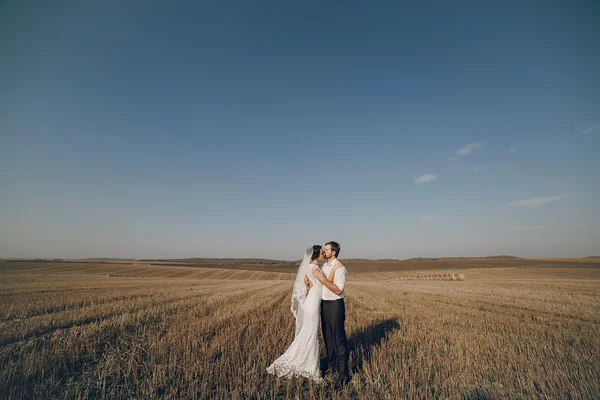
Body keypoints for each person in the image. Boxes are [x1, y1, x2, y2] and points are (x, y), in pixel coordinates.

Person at [266, 245, 326, 381]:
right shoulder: (314, 268)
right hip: (313, 303)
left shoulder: (312, 267)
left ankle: (308, 363)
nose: (324, 254)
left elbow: (312, 284)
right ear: (316, 254)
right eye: (322, 252)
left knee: (310, 333)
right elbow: (324, 283)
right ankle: (309, 367)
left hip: (313, 300)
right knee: (311, 334)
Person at [310, 241, 349, 386]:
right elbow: (321, 285)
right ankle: (332, 366)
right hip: (324, 304)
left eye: (326, 249)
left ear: (333, 252)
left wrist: (322, 279)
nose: (323, 251)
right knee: (327, 336)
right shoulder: (324, 266)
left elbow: (338, 290)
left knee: (338, 338)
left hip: (335, 306)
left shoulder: (340, 268)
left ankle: (343, 374)